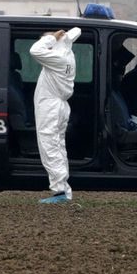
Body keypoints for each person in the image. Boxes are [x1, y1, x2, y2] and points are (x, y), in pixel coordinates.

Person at [28, 27, 81, 204]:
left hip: (50, 107)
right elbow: (76, 30)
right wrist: (60, 37)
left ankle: (59, 191)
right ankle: (64, 190)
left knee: (49, 146)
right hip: (59, 106)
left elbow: (35, 50)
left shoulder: (57, 57)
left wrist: (50, 38)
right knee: (58, 146)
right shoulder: (68, 55)